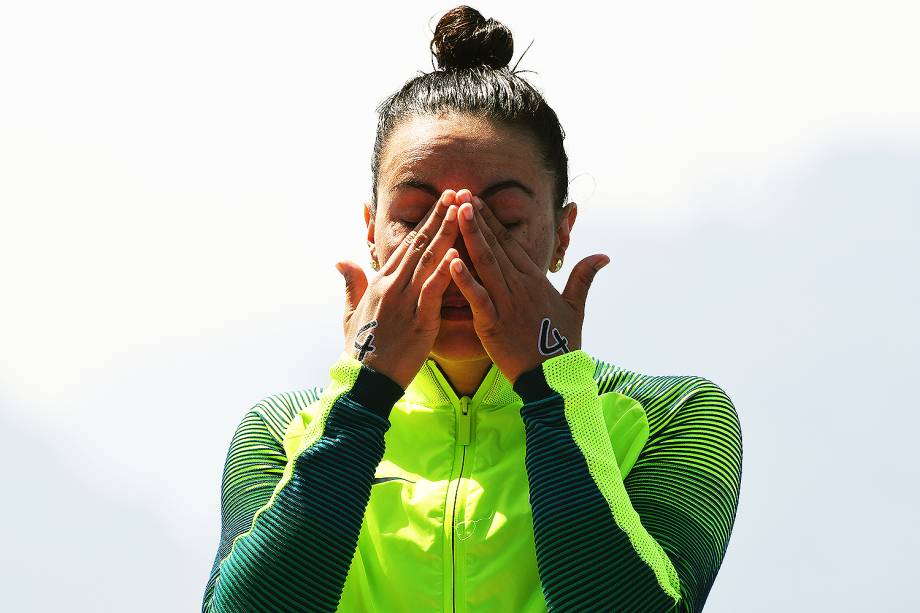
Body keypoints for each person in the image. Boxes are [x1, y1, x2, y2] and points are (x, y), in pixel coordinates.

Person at [200, 6, 742, 612]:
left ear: (562, 235)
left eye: (501, 222)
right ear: (371, 232)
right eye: (415, 219)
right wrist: (363, 399)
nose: (456, 255)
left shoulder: (676, 416)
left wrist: (550, 389)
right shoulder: (278, 432)